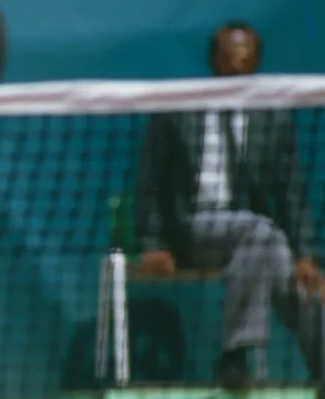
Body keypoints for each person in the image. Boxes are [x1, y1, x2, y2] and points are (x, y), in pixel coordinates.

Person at [135, 21, 322, 390]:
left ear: (256, 62)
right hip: (191, 229)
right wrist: (152, 244)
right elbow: (150, 181)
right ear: (213, 60)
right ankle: (235, 354)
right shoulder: (178, 109)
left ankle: (312, 364)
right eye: (229, 55)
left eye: (246, 57)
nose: (238, 63)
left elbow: (291, 190)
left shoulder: (271, 118)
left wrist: (305, 255)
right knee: (263, 235)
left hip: (253, 235)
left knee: (287, 268)